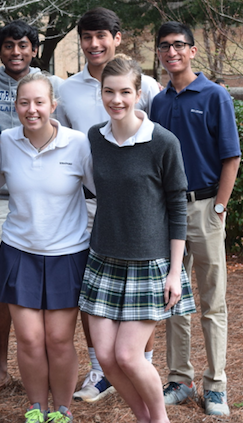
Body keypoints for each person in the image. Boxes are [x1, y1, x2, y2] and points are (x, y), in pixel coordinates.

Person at [79, 55, 195, 423]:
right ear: (100, 93)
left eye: (125, 92)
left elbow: (178, 210)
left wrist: (174, 273)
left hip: (150, 264)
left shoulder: (163, 142)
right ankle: (143, 418)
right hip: (104, 260)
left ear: (139, 93)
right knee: (107, 358)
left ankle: (158, 419)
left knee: (129, 356)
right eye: (109, 92)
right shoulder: (94, 138)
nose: (117, 100)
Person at [56, 7, 161, 403]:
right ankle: (101, 371)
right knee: (95, 291)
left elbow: (157, 144)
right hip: (88, 204)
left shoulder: (147, 85)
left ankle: (141, 361)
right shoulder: (66, 90)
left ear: (117, 37)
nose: (94, 44)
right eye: (87, 37)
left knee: (137, 290)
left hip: (138, 207)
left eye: (102, 35)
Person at [0, 72, 94, 423]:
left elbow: (98, 191)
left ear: (53, 105)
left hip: (67, 253)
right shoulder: (7, 141)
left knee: (59, 340)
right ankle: (37, 409)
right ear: (15, 106)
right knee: (31, 340)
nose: (31, 110)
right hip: (20, 251)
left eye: (39, 102)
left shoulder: (78, 143)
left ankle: (62, 411)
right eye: (24, 103)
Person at [150, 21, 241, 417]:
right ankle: (179, 379)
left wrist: (220, 207)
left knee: (212, 299)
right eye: (164, 47)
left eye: (179, 45)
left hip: (205, 208)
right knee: (175, 298)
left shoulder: (216, 95)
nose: (171, 52)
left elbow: (231, 156)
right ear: (159, 54)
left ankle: (216, 385)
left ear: (192, 51)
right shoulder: (159, 101)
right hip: (167, 211)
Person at [0, 20, 63, 396]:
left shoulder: (52, 86)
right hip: (0, 198)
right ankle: (0, 366)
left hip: (45, 198)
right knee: (1, 281)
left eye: (24, 46)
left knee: (45, 283)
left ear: (34, 49)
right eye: (9, 45)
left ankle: (44, 360)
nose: (16, 52)